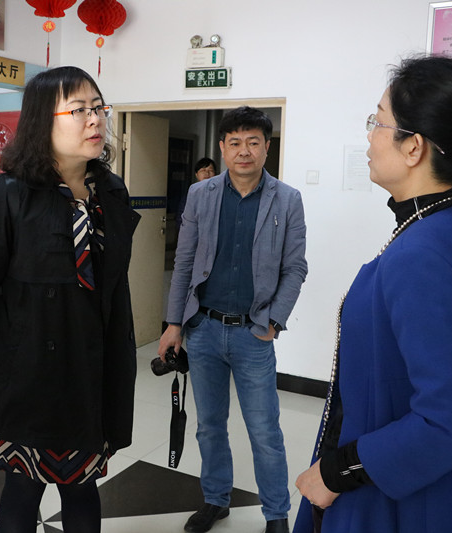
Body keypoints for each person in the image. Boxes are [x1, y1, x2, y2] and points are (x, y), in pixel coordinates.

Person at [293, 56, 452, 533]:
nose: (370, 136)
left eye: (378, 122)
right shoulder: (449, 226)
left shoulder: (423, 254)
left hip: (395, 498)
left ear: (413, 147)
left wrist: (336, 472)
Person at [0, 66, 140, 533]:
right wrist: (16, 344)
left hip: (94, 371)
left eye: (98, 108)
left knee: (82, 487)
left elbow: (113, 284)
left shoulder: (111, 192)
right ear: (43, 120)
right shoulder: (7, 195)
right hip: (32, 374)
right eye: (78, 110)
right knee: (22, 486)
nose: (94, 120)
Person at [159, 106, 308, 533]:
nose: (245, 151)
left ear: (266, 147)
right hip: (203, 330)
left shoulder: (287, 199)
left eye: (253, 142)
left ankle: (276, 514)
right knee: (209, 427)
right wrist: (173, 323)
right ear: (223, 148)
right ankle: (215, 500)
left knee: (264, 431)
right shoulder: (200, 194)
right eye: (236, 142)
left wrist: (274, 321)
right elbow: (184, 262)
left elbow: (295, 268)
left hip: (252, 333)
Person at [178, 156, 218, 223]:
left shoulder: (220, 194)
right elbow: (181, 220)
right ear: (196, 174)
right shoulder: (190, 195)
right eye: (203, 170)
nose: (207, 173)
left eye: (210, 170)